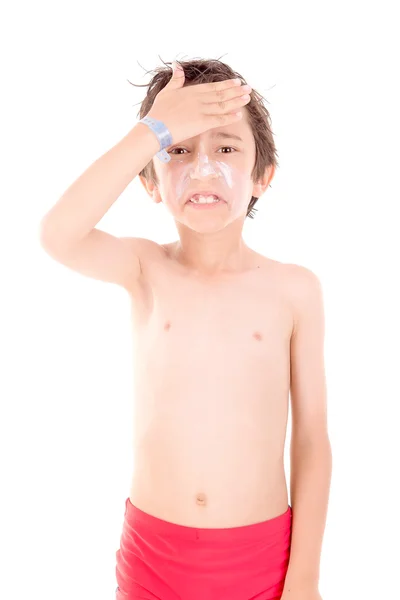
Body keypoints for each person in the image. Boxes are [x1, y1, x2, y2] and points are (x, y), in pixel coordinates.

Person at [39, 58, 331, 600]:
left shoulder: (295, 290)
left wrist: (305, 577)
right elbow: (59, 235)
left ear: (262, 177)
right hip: (153, 558)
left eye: (226, 148)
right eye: (180, 150)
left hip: (263, 558)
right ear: (151, 182)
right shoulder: (145, 269)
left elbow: (312, 439)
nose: (203, 168)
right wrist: (153, 131)